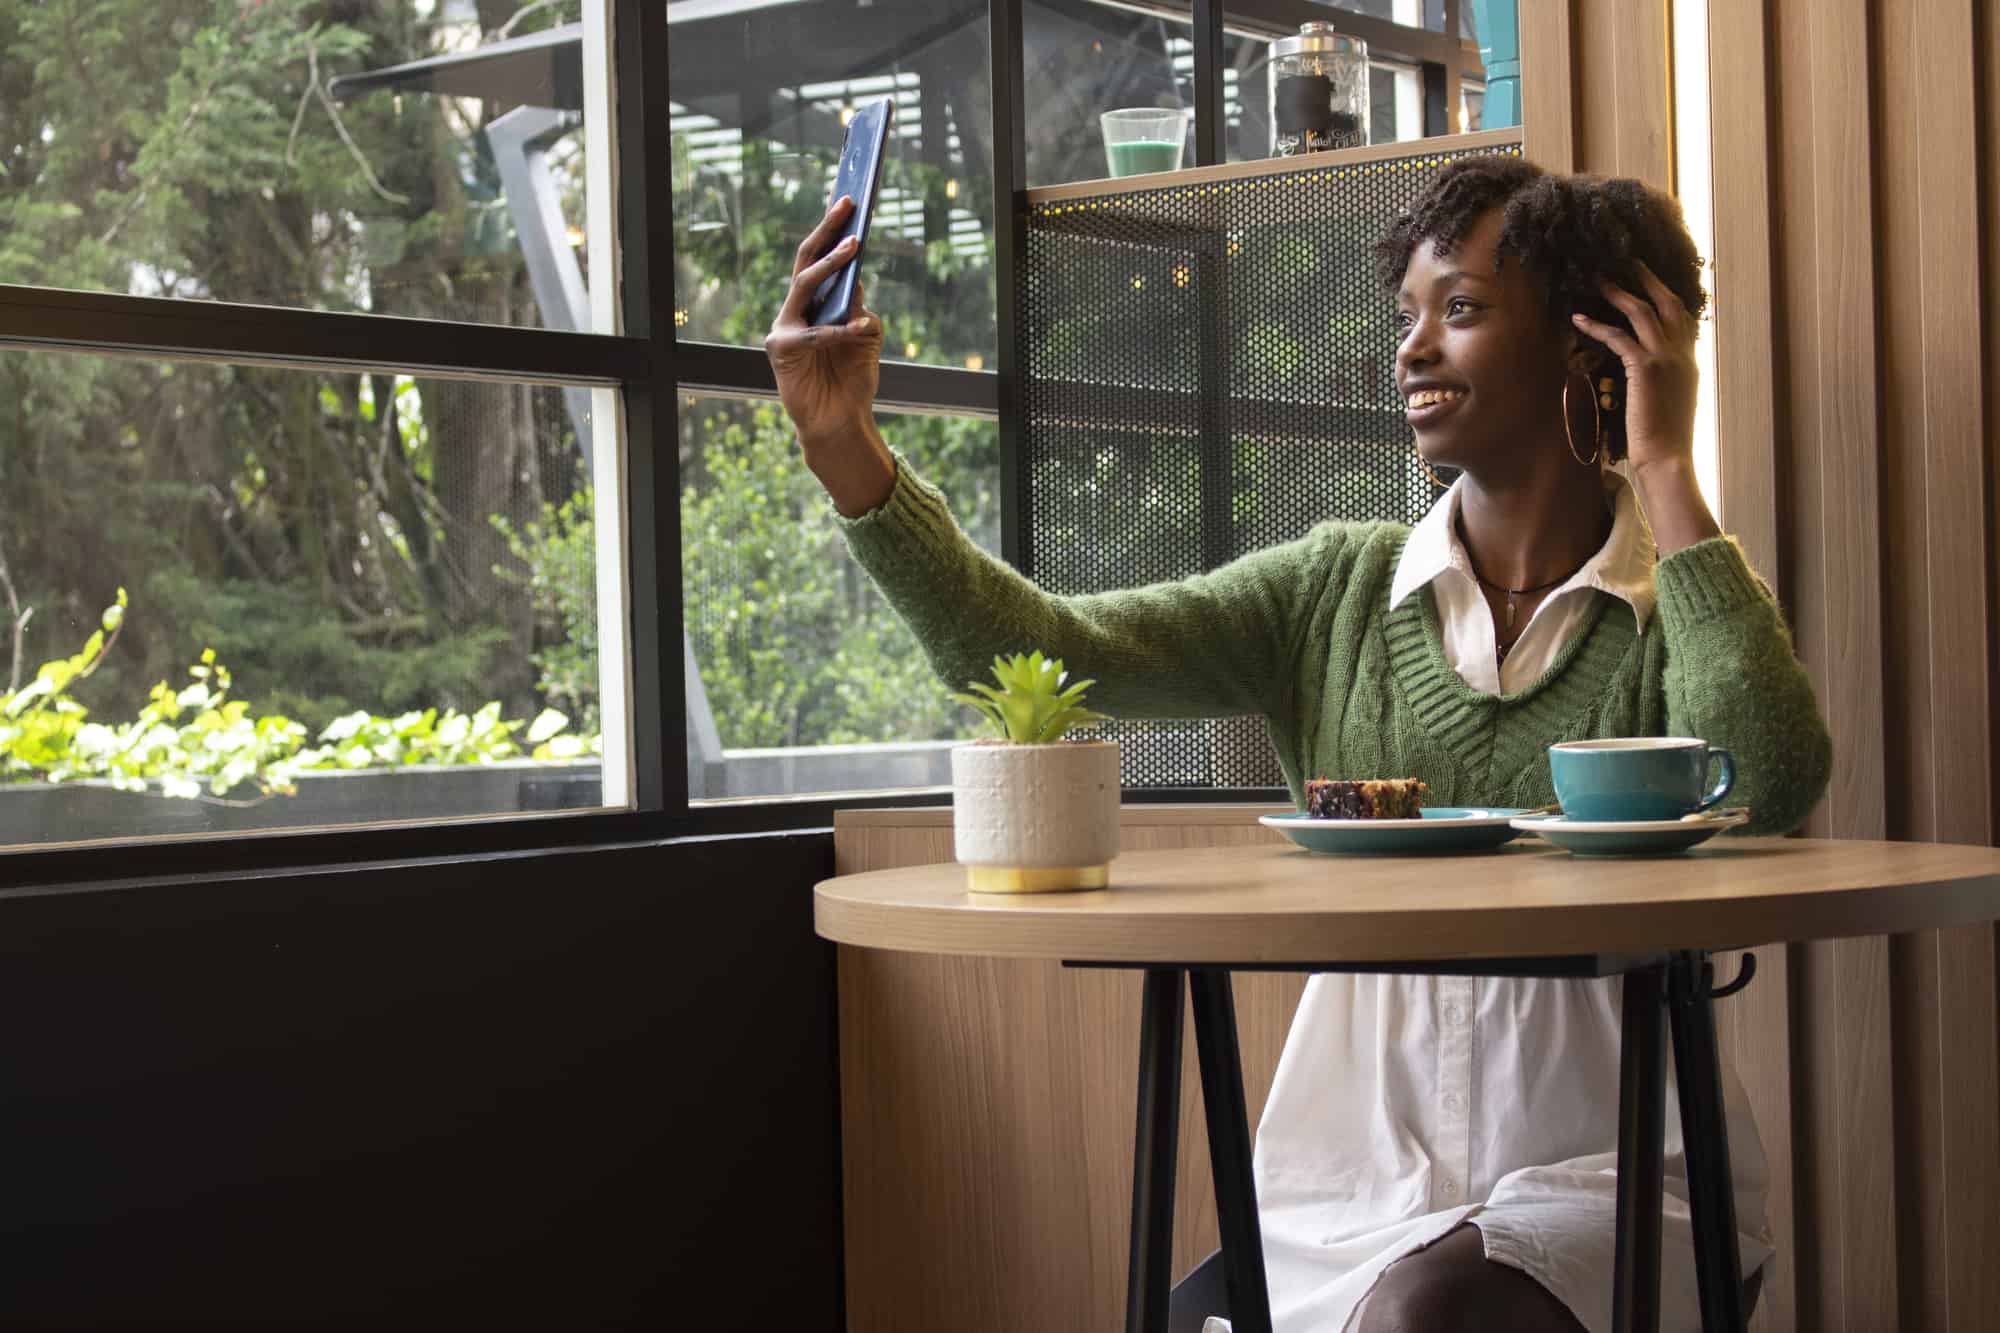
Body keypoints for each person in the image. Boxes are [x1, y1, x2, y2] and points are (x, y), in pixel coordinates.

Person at [765, 154, 1832, 1333]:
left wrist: (1666, 466)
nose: (1411, 348)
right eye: (1406, 315)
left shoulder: (1673, 612)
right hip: (1347, 1191)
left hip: (1618, 1176)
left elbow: (1773, 777)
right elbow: (1035, 647)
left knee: (1433, 1315)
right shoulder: (1329, 593)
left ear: (1597, 343)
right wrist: (845, 450)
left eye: (1461, 310)